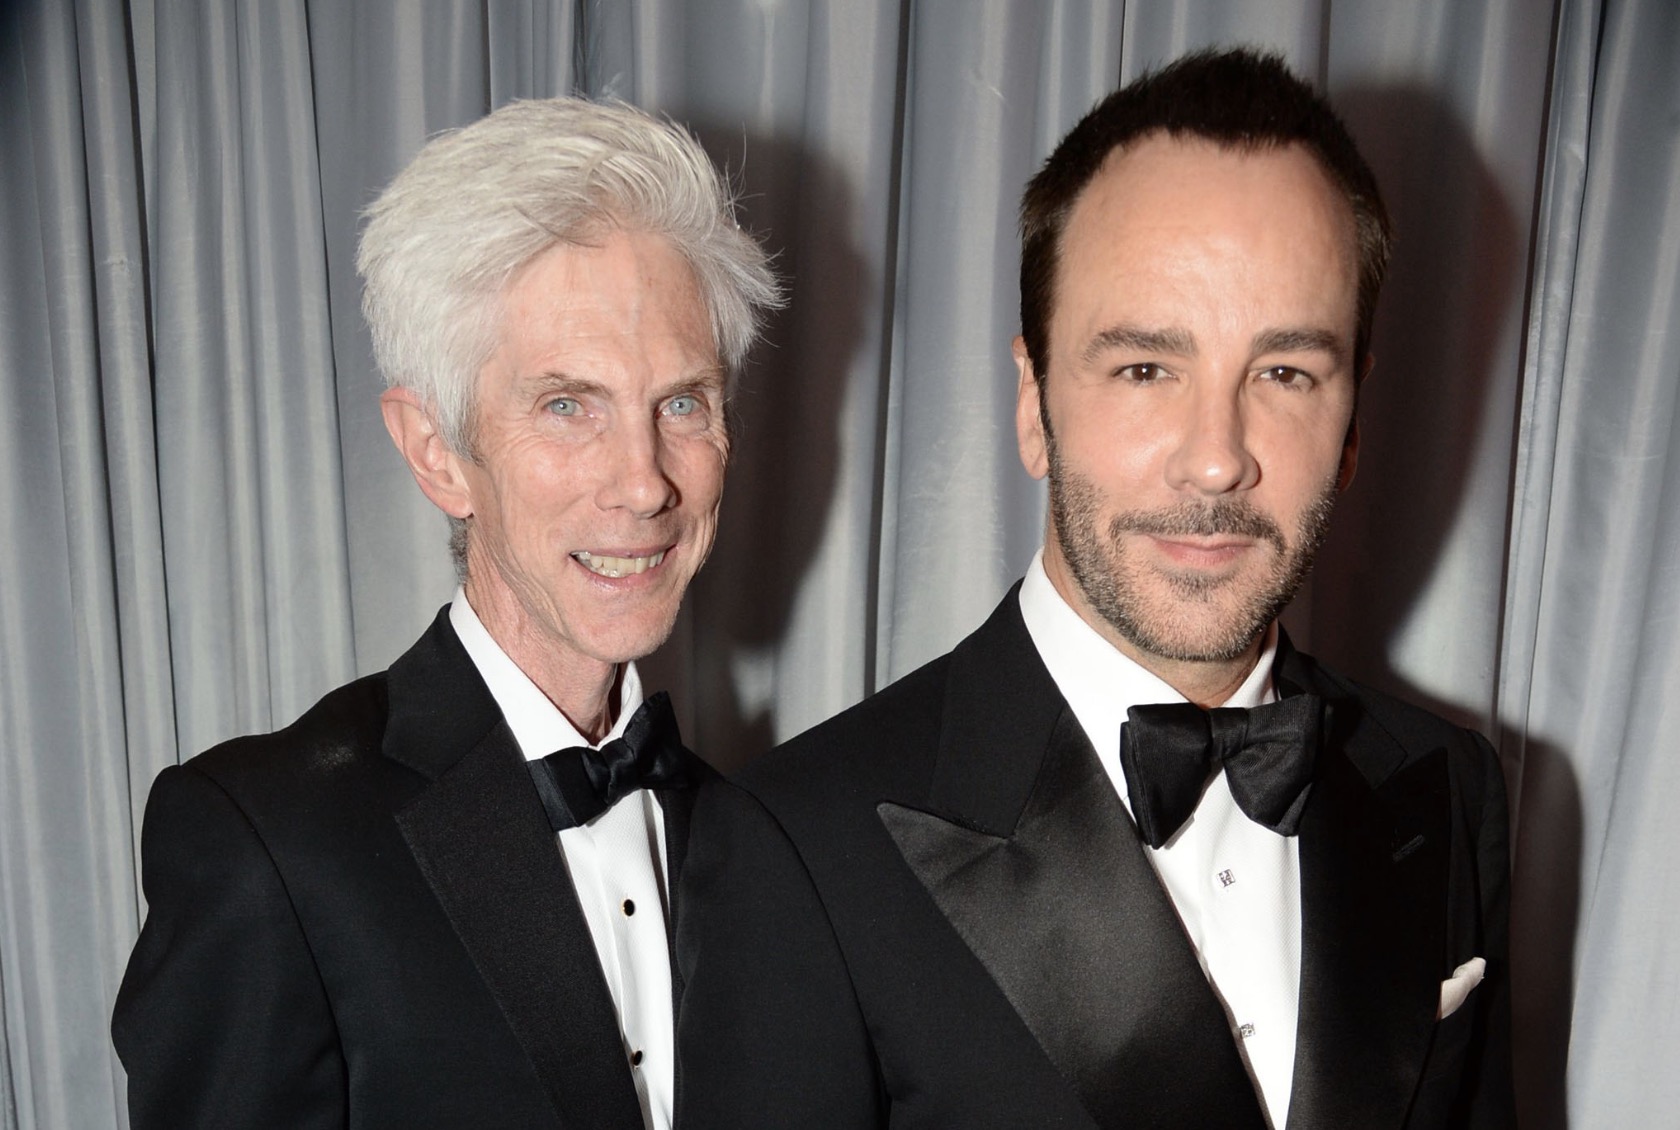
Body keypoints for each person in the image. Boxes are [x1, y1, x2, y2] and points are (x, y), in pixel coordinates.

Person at [677, 48, 1513, 1129]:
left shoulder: (1450, 785)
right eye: (1145, 369)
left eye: (1285, 373)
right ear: (1034, 406)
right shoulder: (797, 845)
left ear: (1352, 424)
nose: (1216, 459)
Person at [112, 97, 779, 1130]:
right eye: (568, 405)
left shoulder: (766, 835)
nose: (645, 482)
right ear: (437, 453)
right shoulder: (269, 843)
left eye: (682, 403)